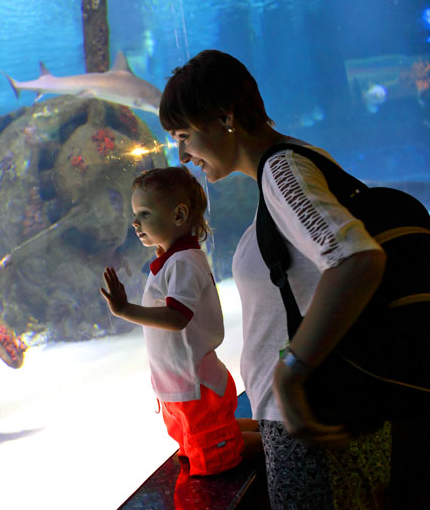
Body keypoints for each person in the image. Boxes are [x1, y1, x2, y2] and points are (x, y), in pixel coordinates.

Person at [158, 49, 393, 508]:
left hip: (315, 418)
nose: (183, 155)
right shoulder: (296, 162)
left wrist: (290, 373)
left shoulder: (283, 172)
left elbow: (357, 259)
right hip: (314, 416)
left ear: (225, 117)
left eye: (185, 136)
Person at [100, 166, 261, 477]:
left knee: (219, 453)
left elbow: (177, 318)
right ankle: (274, 435)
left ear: (178, 215)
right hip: (180, 385)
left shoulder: (184, 262)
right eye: (136, 213)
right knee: (211, 440)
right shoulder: (173, 260)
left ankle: (283, 447)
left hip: (195, 385)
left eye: (145, 213)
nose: (135, 222)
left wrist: (124, 310)